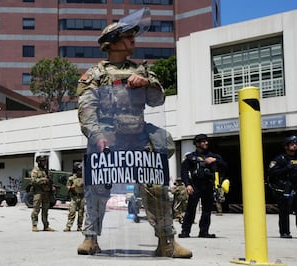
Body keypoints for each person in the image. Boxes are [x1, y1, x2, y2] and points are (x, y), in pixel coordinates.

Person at [76, 8, 192, 258]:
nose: (133, 41)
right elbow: (86, 109)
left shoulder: (141, 71)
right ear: (113, 43)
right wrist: (97, 136)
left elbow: (158, 100)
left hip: (139, 138)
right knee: (97, 186)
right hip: (109, 137)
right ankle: (90, 238)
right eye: (128, 37)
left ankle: (166, 241)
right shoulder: (94, 75)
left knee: (155, 186)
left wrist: (148, 82)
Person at [178, 134, 227, 238]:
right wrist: (187, 185)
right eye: (203, 141)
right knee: (191, 209)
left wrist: (215, 161)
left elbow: (225, 166)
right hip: (195, 186)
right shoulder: (191, 157)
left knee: (207, 211)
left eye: (206, 141)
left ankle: (204, 232)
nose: (206, 143)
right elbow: (184, 171)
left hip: (208, 186)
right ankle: (185, 231)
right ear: (197, 144)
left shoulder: (213, 156)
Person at [267, 135, 297, 239]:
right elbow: (271, 173)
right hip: (284, 189)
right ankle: (285, 232)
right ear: (286, 146)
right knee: (284, 212)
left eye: (296, 144)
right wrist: (286, 168)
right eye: (292, 144)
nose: (294, 146)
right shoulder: (280, 159)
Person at [30, 156, 55, 232]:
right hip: (38, 192)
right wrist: (44, 180)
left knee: (45, 210)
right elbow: (33, 180)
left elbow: (49, 181)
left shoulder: (45, 171)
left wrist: (51, 187)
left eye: (45, 161)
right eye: (43, 161)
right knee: (36, 209)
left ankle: (46, 225)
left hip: (46, 193)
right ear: (39, 162)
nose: (44, 163)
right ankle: (34, 225)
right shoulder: (35, 170)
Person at [63, 162, 85, 232]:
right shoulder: (71, 178)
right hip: (74, 197)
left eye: (81, 170)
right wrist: (70, 187)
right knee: (72, 211)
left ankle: (79, 226)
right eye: (79, 170)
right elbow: (67, 186)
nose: (80, 172)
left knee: (81, 213)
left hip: (82, 197)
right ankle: (68, 226)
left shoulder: (85, 178)